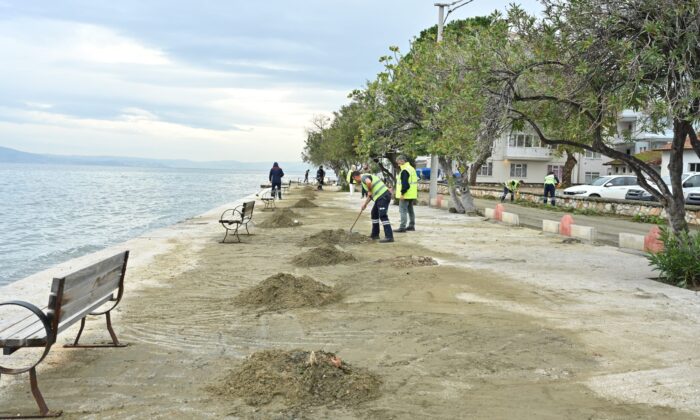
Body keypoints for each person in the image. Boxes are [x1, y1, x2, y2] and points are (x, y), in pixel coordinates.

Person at [352, 171, 394, 243]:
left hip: (383, 196)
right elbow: (370, 195)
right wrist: (365, 204)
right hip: (379, 197)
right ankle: (375, 234)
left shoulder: (363, 177)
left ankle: (389, 237)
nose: (356, 181)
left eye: (355, 180)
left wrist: (369, 190)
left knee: (383, 215)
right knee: (374, 214)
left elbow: (368, 183)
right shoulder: (363, 180)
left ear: (355, 177)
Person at [395, 156, 417, 233]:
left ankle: (402, 227)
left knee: (403, 210)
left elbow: (405, 184)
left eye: (398, 162)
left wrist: (402, 194)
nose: (398, 164)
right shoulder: (411, 168)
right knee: (410, 210)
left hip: (406, 194)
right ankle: (411, 225)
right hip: (411, 194)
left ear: (402, 161)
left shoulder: (405, 170)